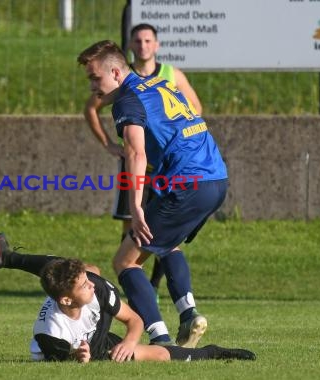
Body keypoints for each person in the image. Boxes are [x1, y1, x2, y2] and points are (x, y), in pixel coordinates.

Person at [77, 41, 228, 348]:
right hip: (215, 179)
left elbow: (136, 153)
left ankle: (161, 338)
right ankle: (188, 315)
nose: (93, 86)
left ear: (116, 72)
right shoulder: (159, 84)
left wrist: (135, 207)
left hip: (188, 184)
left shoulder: (127, 101)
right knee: (165, 244)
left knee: (125, 261)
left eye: (95, 78)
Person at [0, 233, 255, 363]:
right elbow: (67, 363)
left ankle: (7, 258)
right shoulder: (51, 333)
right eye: (83, 286)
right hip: (90, 349)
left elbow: (133, 320)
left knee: (91, 270)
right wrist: (81, 356)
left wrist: (129, 340)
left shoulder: (96, 288)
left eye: (87, 283)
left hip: (95, 332)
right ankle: (212, 353)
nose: (91, 285)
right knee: (160, 355)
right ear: (66, 302)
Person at [83, 23, 203, 298]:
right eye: (137, 41)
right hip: (138, 167)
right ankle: (140, 285)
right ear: (131, 46)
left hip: (165, 166)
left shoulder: (170, 75)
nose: (143, 46)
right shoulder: (120, 80)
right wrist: (109, 144)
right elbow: (91, 108)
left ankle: (151, 288)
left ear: (157, 45)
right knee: (133, 224)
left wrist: (178, 138)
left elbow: (195, 108)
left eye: (148, 40)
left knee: (161, 229)